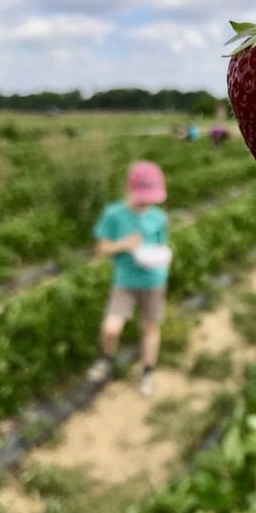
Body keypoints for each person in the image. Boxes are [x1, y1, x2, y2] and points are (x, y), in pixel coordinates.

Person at [86, 161, 170, 396]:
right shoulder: (114, 214)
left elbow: (162, 244)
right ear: (130, 189)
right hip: (125, 280)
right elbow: (102, 248)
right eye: (143, 197)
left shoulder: (159, 217)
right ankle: (106, 359)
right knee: (111, 328)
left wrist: (162, 255)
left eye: (150, 199)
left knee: (150, 327)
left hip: (154, 279)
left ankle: (147, 372)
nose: (146, 203)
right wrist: (124, 244)